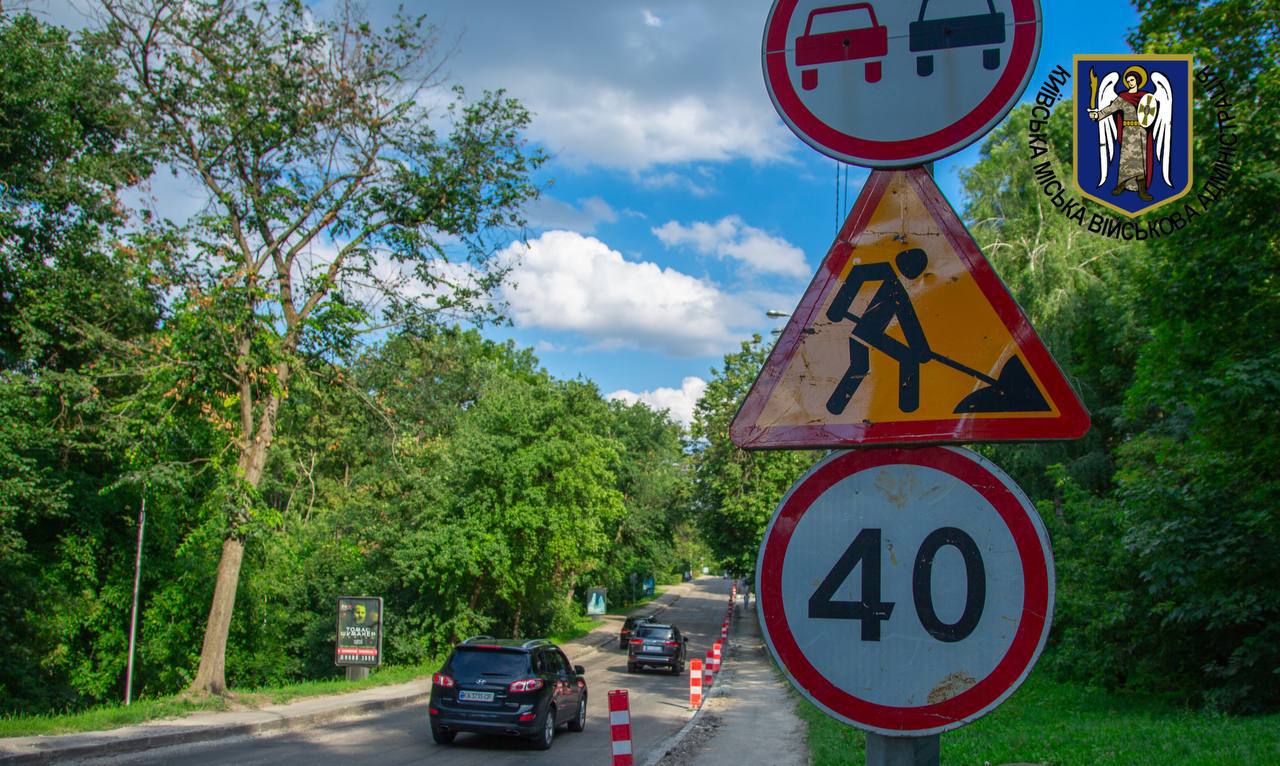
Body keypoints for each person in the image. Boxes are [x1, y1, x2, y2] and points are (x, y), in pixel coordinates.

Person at [825, 248, 932, 414]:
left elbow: (909, 323)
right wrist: (836, 310)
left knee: (862, 366)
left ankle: (835, 407)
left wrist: (922, 352)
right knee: (901, 360)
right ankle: (907, 408)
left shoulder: (898, 289)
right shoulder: (886, 273)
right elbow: (856, 276)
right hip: (866, 332)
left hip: (869, 334)